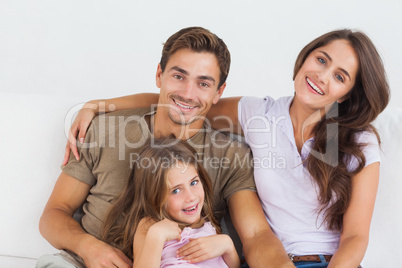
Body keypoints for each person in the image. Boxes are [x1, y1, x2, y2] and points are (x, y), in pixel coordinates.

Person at [66, 29, 390, 267]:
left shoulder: (357, 141)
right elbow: (182, 100)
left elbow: (355, 238)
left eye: (340, 76)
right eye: (321, 59)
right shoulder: (258, 113)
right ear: (306, 55)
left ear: (347, 93)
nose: (321, 75)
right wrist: (97, 105)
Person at [38, 26, 294, 268]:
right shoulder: (107, 129)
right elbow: (54, 213)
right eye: (178, 76)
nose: (187, 93)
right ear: (159, 75)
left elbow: (256, 234)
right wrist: (87, 247)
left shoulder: (230, 155)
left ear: (219, 92)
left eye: (203, 83)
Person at [101, 138, 240, 267]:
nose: (191, 197)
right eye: (176, 191)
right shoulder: (150, 226)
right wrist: (156, 236)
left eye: (194, 182)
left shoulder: (206, 225)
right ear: (154, 197)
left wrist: (228, 246)